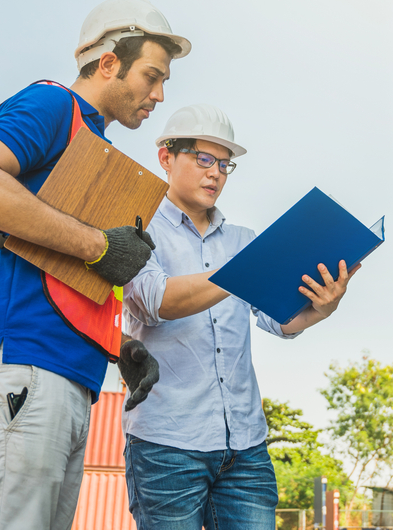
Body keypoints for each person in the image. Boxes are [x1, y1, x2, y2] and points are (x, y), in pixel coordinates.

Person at [0, 0, 190, 530]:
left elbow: (47, 272)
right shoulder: (53, 106)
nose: (159, 95)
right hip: (18, 371)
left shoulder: (92, 150)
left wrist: (115, 346)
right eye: (151, 75)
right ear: (107, 63)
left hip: (61, 382)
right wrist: (98, 246)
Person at [121, 104, 358, 529]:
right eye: (204, 159)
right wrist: (241, 271)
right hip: (166, 447)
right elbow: (156, 301)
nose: (216, 173)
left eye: (225, 165)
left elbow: (280, 321)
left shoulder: (244, 241)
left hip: (246, 451)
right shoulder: (138, 228)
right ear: (166, 158)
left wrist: (323, 307)